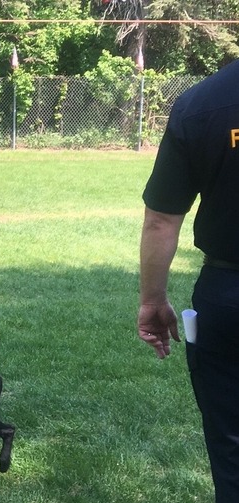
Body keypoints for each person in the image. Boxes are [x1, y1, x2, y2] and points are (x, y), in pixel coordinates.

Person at [137, 60, 239, 503]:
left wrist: (153, 299)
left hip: (229, 294)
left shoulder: (202, 103)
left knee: (231, 444)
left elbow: (161, 220)